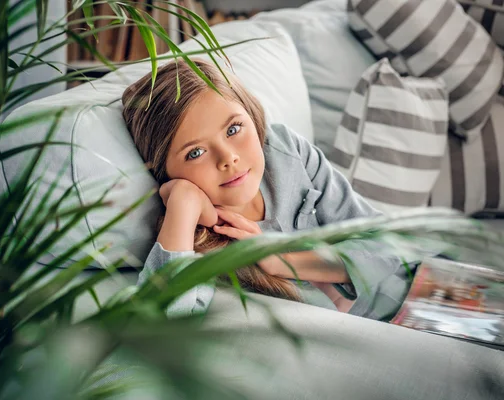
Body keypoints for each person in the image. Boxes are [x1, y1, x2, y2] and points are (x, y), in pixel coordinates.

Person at [121, 58, 416, 321]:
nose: (229, 159)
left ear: (252, 114)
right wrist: (183, 206)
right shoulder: (191, 239)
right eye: (195, 153)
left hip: (415, 292)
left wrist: (284, 261)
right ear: (163, 170)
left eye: (234, 129)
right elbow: (160, 323)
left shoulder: (284, 150)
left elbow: (388, 246)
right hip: (377, 341)